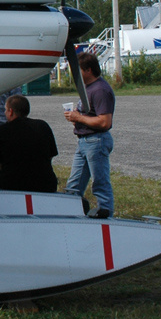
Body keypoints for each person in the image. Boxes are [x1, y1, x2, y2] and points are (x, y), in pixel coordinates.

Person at [63, 52, 115, 218]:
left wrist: (80, 118)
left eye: (77, 70)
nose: (74, 74)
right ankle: (70, 209)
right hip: (84, 141)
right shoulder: (88, 89)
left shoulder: (100, 90)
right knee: (74, 184)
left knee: (99, 181)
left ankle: (105, 212)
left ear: (88, 70)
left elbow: (105, 122)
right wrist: (76, 119)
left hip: (96, 140)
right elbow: (90, 115)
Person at [0, 95, 58, 193]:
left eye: (5, 110)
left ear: (11, 111)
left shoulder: (1, 131)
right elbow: (51, 155)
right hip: (44, 184)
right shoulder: (43, 126)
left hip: (10, 185)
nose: (5, 113)